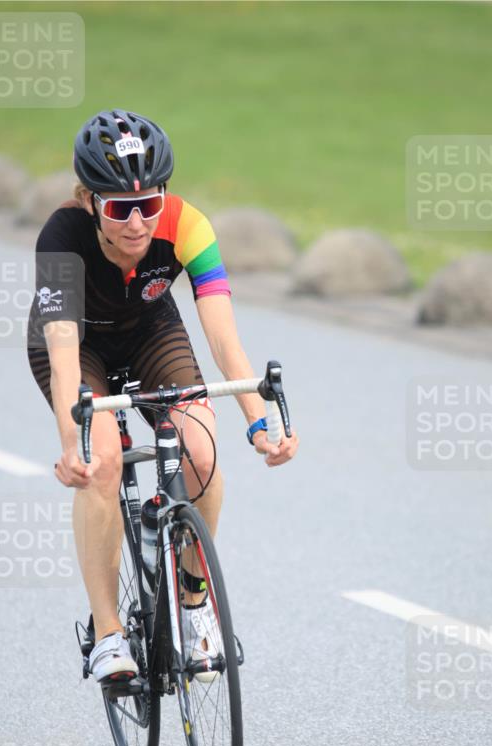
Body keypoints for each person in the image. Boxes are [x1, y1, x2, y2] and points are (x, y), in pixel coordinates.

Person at [27, 109, 298, 683]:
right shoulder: (60, 237)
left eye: (149, 205)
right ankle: (106, 634)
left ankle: (195, 602)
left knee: (202, 451)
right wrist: (70, 442)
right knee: (102, 461)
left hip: (150, 329)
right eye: (120, 208)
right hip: (81, 347)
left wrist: (258, 424)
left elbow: (223, 337)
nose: (136, 223)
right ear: (88, 199)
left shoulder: (189, 226)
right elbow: (61, 345)